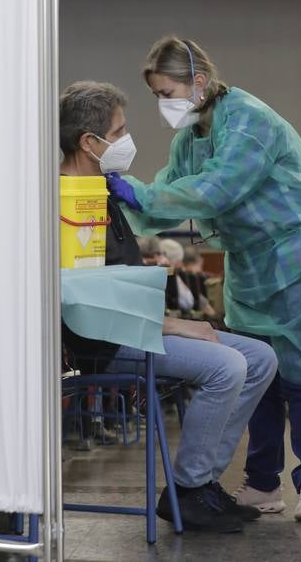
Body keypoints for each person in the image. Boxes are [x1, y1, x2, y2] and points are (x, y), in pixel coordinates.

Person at [107, 37, 301, 524]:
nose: (164, 105)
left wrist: (140, 194)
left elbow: (215, 189)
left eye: (167, 92)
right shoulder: (189, 140)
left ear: (199, 81)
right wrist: (120, 198)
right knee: (260, 373)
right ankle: (262, 483)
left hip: (297, 256)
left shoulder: (249, 119)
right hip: (249, 264)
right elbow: (168, 199)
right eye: (157, 95)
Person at [59, 80, 279, 533]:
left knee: (261, 357)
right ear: (88, 142)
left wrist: (172, 325)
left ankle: (199, 485)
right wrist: (175, 325)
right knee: (226, 367)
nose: (125, 141)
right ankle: (189, 487)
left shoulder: (104, 189)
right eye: (118, 133)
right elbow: (89, 299)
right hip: (101, 342)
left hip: (134, 327)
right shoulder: (68, 203)